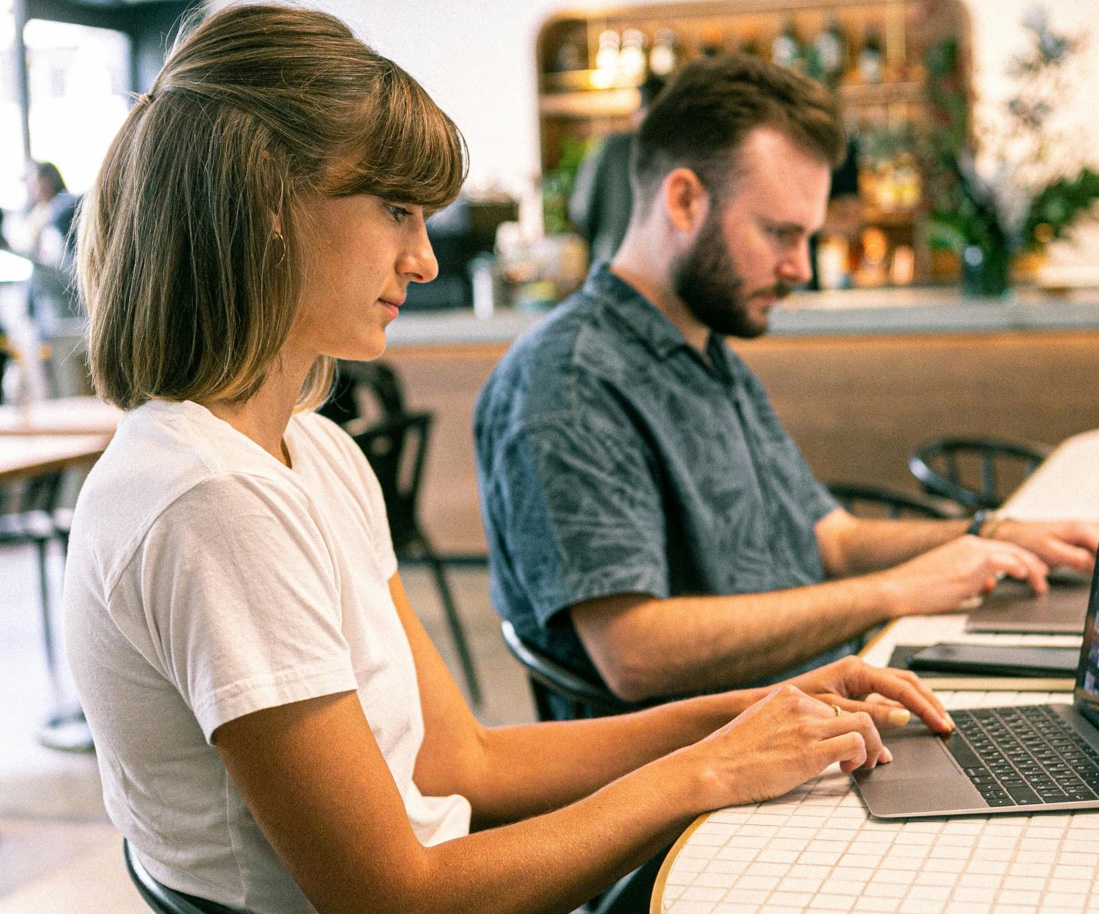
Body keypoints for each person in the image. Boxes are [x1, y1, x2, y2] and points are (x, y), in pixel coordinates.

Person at [64, 7, 954, 914]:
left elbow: (464, 762)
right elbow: (394, 897)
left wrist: (764, 707)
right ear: (268, 205)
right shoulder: (212, 499)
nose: (420, 258)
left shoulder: (313, 450)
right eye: (396, 210)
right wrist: (705, 773)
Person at [475, 55, 1099, 719]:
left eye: (807, 237)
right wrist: (892, 593)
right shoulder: (569, 382)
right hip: (700, 776)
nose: (800, 267)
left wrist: (989, 535)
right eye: (779, 233)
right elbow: (634, 653)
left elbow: (829, 539)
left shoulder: (706, 349)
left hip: (814, 709)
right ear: (684, 199)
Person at [568, 74, 665, 267]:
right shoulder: (679, 151)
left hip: (613, 264)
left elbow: (581, 210)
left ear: (638, 111)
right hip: (662, 272)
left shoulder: (611, 147)